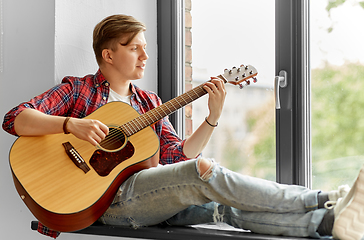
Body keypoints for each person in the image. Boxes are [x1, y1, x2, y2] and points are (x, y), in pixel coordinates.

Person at [3, 14, 364, 240]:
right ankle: (321, 198)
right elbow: (15, 118)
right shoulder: (79, 90)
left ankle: (329, 223)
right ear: (109, 55)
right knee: (203, 172)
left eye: (146, 48)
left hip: (147, 196)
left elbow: (180, 157)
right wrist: (72, 125)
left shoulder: (149, 105)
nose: (145, 56)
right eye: (135, 49)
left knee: (227, 208)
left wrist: (212, 116)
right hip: (104, 202)